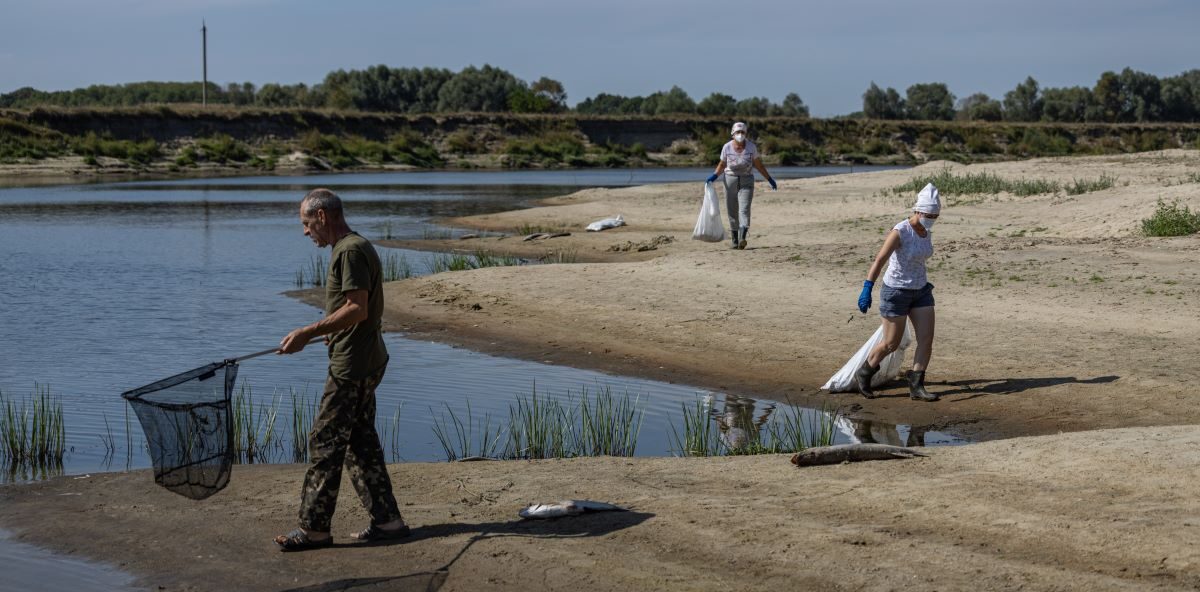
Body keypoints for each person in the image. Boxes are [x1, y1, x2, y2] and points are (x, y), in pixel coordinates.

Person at [273, 188, 408, 551]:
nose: (305, 232)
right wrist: (329, 335)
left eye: (306, 224)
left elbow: (357, 309)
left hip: (353, 366)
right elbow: (352, 312)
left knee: (325, 442)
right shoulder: (351, 248)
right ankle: (389, 523)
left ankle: (314, 530)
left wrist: (307, 332)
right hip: (363, 358)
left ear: (322, 217)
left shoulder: (349, 250)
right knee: (360, 443)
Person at [854, 183, 941, 402]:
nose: (931, 219)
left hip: (921, 290)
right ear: (918, 211)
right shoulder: (900, 231)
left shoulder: (927, 231)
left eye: (935, 216)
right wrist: (867, 288)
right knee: (891, 343)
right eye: (929, 214)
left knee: (926, 339)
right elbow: (880, 259)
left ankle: (917, 386)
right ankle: (864, 373)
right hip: (896, 292)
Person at [705, 122, 777, 250]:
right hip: (730, 180)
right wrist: (714, 176)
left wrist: (769, 179)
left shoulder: (751, 147)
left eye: (742, 132)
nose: (740, 135)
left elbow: (758, 165)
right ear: (733, 134)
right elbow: (722, 165)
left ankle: (742, 237)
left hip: (747, 180)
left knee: (744, 209)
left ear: (746, 133)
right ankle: (734, 239)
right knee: (732, 210)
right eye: (738, 132)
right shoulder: (726, 147)